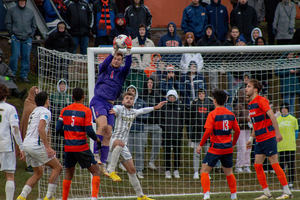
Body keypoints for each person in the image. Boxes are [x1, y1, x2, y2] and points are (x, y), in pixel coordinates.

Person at [107, 91, 166, 200]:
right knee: (120, 142)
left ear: (133, 102)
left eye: (131, 98)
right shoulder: (119, 108)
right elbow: (114, 109)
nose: (128, 99)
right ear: (123, 100)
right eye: (127, 98)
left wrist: (155, 107)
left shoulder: (134, 112)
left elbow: (143, 110)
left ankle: (140, 196)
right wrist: (113, 111)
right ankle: (111, 170)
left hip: (123, 146)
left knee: (132, 171)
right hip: (114, 141)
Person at [89, 36, 132, 177]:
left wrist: (129, 50)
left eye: (119, 59)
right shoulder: (105, 68)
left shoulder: (122, 73)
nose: (117, 61)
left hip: (110, 105)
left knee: (108, 132)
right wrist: (114, 51)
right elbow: (105, 62)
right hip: (99, 101)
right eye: (115, 58)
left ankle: (103, 162)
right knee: (101, 127)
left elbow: (128, 65)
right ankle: (95, 153)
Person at [245, 79, 293, 199]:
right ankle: (267, 193)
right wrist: (251, 139)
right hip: (259, 139)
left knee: (275, 164)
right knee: (257, 165)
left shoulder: (262, 100)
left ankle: (287, 192)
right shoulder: (250, 104)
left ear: (255, 89)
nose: (246, 88)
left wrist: (277, 133)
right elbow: (256, 124)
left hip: (268, 137)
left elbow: (272, 116)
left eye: (249, 86)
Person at [56, 87, 102, 200]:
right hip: (81, 147)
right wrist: (97, 140)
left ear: (72, 97)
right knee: (96, 171)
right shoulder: (86, 111)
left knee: (69, 174)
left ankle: (64, 199)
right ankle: (94, 198)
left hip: (68, 148)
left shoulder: (64, 110)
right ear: (83, 97)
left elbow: (57, 129)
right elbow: (89, 130)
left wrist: (67, 135)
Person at [17, 91, 63, 200]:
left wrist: (23, 149)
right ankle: (49, 197)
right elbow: (41, 128)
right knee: (58, 167)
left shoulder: (34, 111)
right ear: (46, 100)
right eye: (48, 98)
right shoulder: (45, 111)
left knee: (38, 173)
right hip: (35, 145)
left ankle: (22, 196)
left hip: (27, 144)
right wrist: (47, 147)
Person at [196, 89, 240, 200]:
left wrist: (200, 145)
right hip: (228, 148)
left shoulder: (212, 114)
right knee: (229, 173)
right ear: (225, 101)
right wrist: (233, 143)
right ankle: (234, 195)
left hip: (216, 148)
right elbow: (238, 130)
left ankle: (206, 195)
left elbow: (207, 131)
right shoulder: (231, 114)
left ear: (214, 101)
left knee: (204, 171)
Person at [0, 84, 25, 200]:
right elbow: (15, 128)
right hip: (6, 145)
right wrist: (21, 146)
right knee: (9, 176)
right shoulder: (10, 108)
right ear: (6, 94)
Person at [5, 0, 36, 83]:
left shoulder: (30, 12)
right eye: (20, 1)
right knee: (15, 56)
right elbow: (8, 23)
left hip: (27, 38)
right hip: (16, 37)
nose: (22, 2)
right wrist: (11, 33)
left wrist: (31, 35)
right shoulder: (11, 10)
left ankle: (24, 75)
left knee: (26, 56)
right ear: (18, 1)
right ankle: (11, 75)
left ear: (25, 2)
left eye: (23, 1)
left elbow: (34, 25)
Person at [126, 85, 149, 179]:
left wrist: (136, 116)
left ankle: (139, 170)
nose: (131, 91)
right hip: (129, 131)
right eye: (129, 90)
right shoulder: (125, 103)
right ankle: (130, 171)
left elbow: (147, 116)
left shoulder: (141, 102)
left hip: (139, 130)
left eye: (133, 90)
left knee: (139, 151)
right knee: (129, 152)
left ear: (136, 92)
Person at [160, 90, 185, 179]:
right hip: (167, 134)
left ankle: (176, 170)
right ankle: (167, 170)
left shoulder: (180, 106)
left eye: (173, 97)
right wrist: (164, 128)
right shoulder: (164, 107)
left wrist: (179, 128)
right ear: (167, 97)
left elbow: (183, 119)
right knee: (167, 152)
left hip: (177, 134)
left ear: (176, 97)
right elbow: (160, 119)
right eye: (170, 96)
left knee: (177, 152)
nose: (171, 98)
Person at [190, 88, 214, 179]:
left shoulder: (210, 103)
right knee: (196, 153)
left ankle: (206, 171)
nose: (201, 95)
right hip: (197, 132)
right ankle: (196, 171)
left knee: (207, 153)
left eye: (203, 93)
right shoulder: (194, 103)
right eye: (199, 93)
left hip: (207, 132)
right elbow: (190, 118)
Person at [141, 77, 163, 171]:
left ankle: (151, 162)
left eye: (151, 82)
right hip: (144, 124)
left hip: (155, 124)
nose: (150, 84)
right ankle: (140, 163)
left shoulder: (157, 95)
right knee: (142, 144)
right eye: (148, 82)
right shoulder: (142, 95)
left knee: (157, 143)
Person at [50, 79, 73, 161]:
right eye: (61, 84)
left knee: (64, 140)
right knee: (56, 139)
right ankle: (55, 157)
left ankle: (64, 158)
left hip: (66, 121)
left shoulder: (69, 97)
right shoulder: (53, 96)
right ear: (58, 86)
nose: (62, 86)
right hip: (55, 121)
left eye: (64, 84)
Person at [277, 102, 298, 190]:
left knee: (291, 166)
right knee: (281, 167)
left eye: (285, 108)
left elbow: (296, 132)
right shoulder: (277, 120)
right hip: (281, 147)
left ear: (288, 109)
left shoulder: (293, 119)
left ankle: (290, 183)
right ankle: (283, 183)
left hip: (290, 146)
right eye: (282, 108)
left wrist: (293, 140)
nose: (283, 110)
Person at [233, 89, 252, 173]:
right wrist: (246, 119)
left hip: (249, 129)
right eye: (246, 97)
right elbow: (235, 118)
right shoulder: (238, 106)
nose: (247, 99)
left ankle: (246, 165)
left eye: (248, 97)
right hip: (241, 130)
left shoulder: (250, 106)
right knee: (242, 148)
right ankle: (238, 166)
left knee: (248, 148)